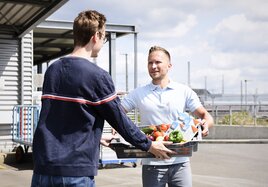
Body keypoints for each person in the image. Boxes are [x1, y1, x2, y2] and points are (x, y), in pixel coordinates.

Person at [31, 11, 175, 187]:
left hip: (43, 168)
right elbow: (119, 120)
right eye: (104, 38)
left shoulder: (53, 70)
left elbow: (62, 118)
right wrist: (149, 145)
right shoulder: (97, 76)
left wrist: (95, 136)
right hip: (75, 171)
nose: (103, 42)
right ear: (96, 36)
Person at [121, 46, 214, 187]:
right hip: (151, 162)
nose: (153, 66)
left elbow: (204, 115)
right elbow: (118, 113)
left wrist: (206, 124)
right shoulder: (138, 93)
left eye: (158, 62)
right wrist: (117, 127)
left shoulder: (183, 91)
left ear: (169, 65)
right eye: (150, 63)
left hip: (180, 162)